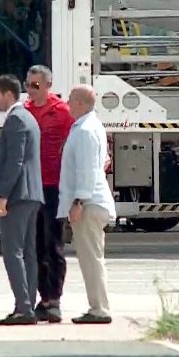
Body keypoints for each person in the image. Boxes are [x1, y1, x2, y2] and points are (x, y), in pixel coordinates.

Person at [0, 74, 44, 326]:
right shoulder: (28, 118)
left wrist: (2, 196)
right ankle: (27, 305)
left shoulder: (15, 119)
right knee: (28, 253)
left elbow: (15, 161)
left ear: (8, 94)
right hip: (32, 194)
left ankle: (23, 308)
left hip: (18, 195)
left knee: (13, 252)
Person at [58, 85, 116, 325]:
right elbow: (100, 162)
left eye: (71, 100)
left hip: (89, 203)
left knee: (91, 258)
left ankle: (99, 309)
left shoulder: (84, 131)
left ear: (81, 103)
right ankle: (98, 306)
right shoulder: (91, 126)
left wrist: (78, 201)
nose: (67, 104)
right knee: (92, 257)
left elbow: (87, 170)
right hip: (93, 201)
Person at [23, 65, 74, 322]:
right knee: (35, 244)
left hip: (54, 186)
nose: (30, 90)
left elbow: (76, 142)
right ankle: (42, 297)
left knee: (53, 243)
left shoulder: (62, 112)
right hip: (31, 186)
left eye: (36, 85)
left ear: (47, 85)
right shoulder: (25, 111)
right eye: (28, 84)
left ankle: (54, 298)